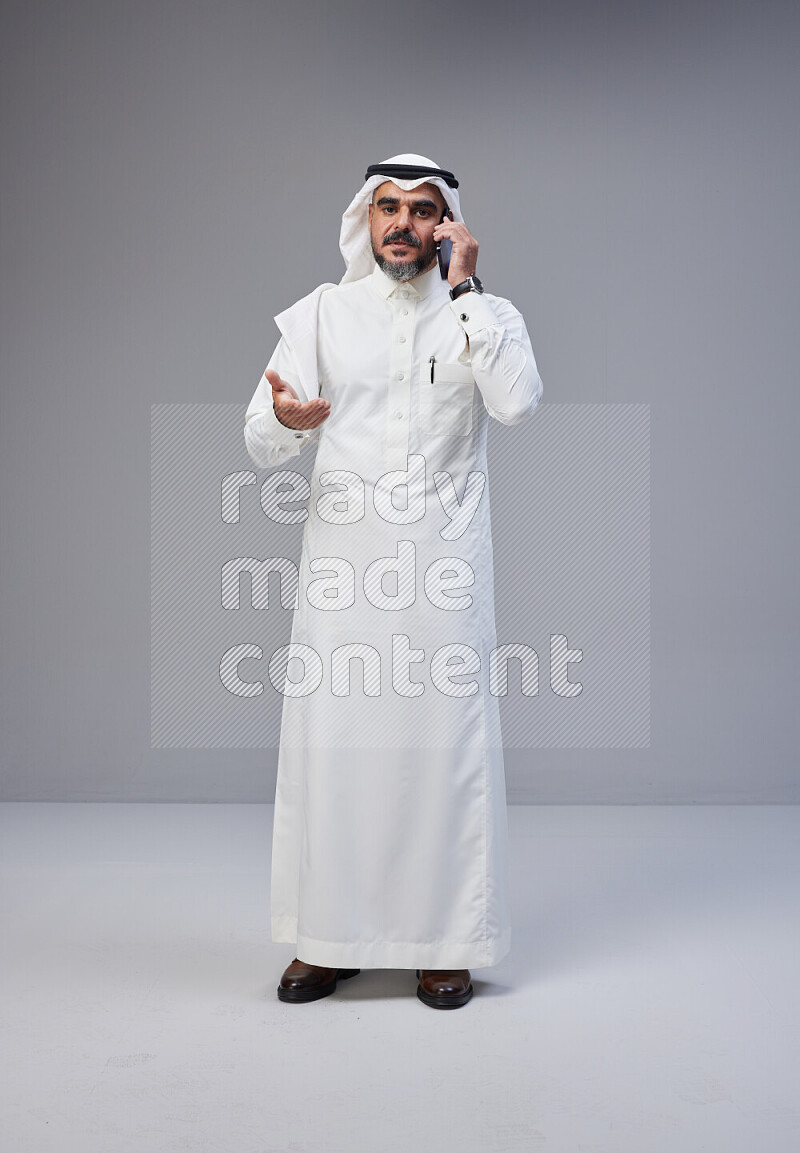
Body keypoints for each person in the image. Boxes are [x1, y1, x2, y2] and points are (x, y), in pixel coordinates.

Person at [243, 153, 543, 1009]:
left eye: (422, 209)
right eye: (388, 208)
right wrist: (288, 422)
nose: (403, 223)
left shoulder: (483, 314)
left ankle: (444, 943)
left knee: (441, 755)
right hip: (343, 575)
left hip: (444, 578)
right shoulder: (321, 316)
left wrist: (468, 292)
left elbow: (518, 403)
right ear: (365, 221)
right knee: (334, 754)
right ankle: (328, 940)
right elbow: (259, 436)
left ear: (447, 226)